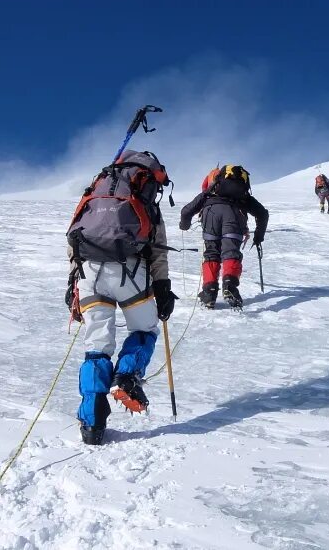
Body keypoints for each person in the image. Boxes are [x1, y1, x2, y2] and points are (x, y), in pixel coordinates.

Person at [65, 150, 177, 446]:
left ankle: (92, 422)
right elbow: (158, 247)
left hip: (89, 273)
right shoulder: (144, 198)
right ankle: (126, 376)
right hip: (130, 271)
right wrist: (162, 286)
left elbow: (73, 236)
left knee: (97, 346)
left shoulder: (97, 189)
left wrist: (72, 282)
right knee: (144, 329)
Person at [179, 165, 269, 309]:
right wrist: (258, 237)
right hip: (234, 215)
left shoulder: (211, 189)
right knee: (231, 252)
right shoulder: (242, 195)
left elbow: (186, 211)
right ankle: (230, 286)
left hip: (210, 214)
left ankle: (209, 292)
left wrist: (184, 224)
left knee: (211, 254)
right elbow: (263, 214)